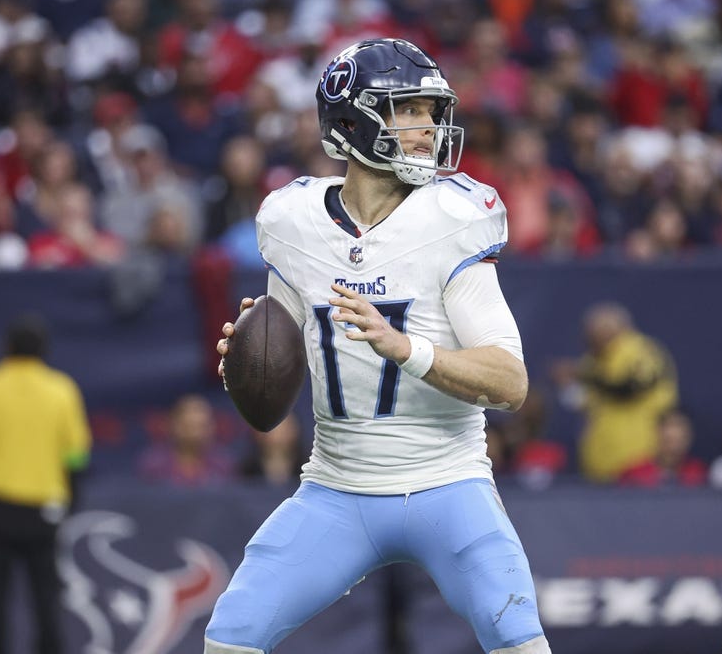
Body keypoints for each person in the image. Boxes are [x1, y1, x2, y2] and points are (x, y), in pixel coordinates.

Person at [204, 38, 550, 654]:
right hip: (336, 488)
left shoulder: (454, 216)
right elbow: (275, 361)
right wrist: (249, 354)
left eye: (430, 111)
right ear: (350, 122)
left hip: (449, 485)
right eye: (407, 110)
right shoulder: (292, 220)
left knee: (520, 643)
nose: (428, 128)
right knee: (230, 637)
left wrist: (406, 348)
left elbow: (509, 381)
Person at [0, 315, 92, 654]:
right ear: (44, 351)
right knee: (47, 605)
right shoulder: (62, 389)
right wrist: (68, 505)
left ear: (6, 348)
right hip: (43, 513)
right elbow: (76, 458)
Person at [552, 301, 679, 482]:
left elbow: (629, 388)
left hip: (640, 460)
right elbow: (583, 402)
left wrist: (584, 374)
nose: (593, 338)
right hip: (598, 464)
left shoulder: (641, 350)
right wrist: (566, 386)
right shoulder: (593, 361)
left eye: (599, 330)